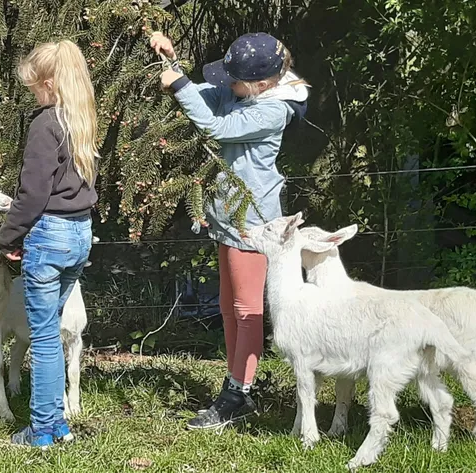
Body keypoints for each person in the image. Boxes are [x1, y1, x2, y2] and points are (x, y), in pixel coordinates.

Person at [152, 31, 309, 429]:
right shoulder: (246, 93)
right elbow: (207, 95)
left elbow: (216, 128)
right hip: (227, 216)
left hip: (253, 220)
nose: (227, 84)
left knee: (247, 310)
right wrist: (172, 64)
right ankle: (236, 382)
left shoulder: (274, 110)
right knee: (228, 308)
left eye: (234, 80)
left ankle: (239, 394)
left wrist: (181, 85)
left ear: (261, 84)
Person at [0, 39, 98, 448]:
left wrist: (8, 237)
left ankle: (40, 431)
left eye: (35, 87)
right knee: (51, 335)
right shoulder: (82, 120)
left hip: (49, 235)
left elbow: (32, 192)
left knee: (42, 340)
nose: (33, 95)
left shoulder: (45, 123)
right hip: (80, 235)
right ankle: (58, 425)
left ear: (51, 84)